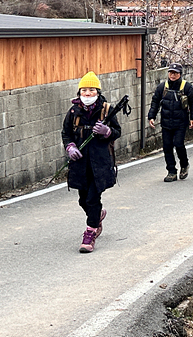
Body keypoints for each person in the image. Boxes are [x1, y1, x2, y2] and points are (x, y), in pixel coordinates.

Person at [61, 71, 121, 253]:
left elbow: (117, 131)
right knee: (83, 200)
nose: (87, 94)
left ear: (98, 92)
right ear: (79, 92)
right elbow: (66, 133)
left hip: (100, 163)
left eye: (91, 90)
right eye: (84, 90)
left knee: (93, 198)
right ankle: (97, 216)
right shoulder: (73, 112)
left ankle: (90, 232)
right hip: (80, 164)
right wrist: (70, 147)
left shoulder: (106, 110)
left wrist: (107, 132)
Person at [147, 63, 193, 182]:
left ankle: (184, 165)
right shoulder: (162, 87)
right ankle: (171, 171)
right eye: (171, 73)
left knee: (179, 144)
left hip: (181, 122)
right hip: (166, 122)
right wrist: (152, 116)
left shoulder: (186, 87)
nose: (172, 75)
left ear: (180, 74)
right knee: (167, 147)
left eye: (175, 73)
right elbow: (155, 102)